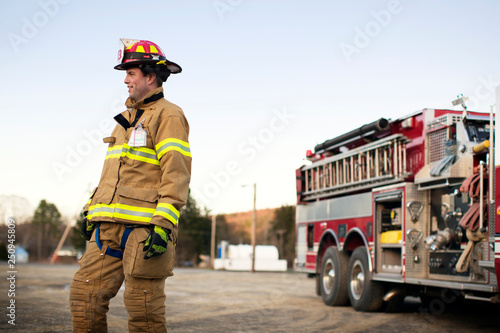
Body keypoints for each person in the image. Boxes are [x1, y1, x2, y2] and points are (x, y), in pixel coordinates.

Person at [69, 38, 191, 332]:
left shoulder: (168, 114)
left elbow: (176, 172)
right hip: (107, 228)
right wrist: (92, 207)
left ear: (151, 77)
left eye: (131, 73)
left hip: (144, 232)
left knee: (143, 311)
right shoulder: (124, 121)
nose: (125, 80)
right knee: (84, 298)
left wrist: (163, 224)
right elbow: (115, 172)